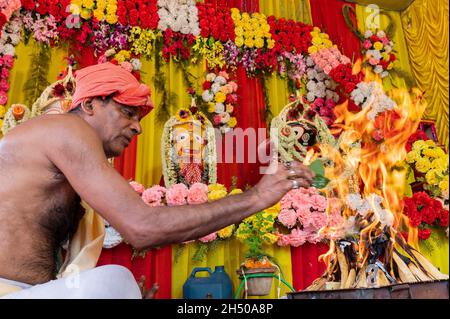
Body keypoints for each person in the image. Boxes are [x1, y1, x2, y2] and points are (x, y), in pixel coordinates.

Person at [0, 62, 314, 299]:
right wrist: (256, 198)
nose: (137, 128)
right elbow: (143, 227)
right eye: (127, 113)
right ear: (90, 105)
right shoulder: (67, 129)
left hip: (25, 289)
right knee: (115, 280)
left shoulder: (63, 145)